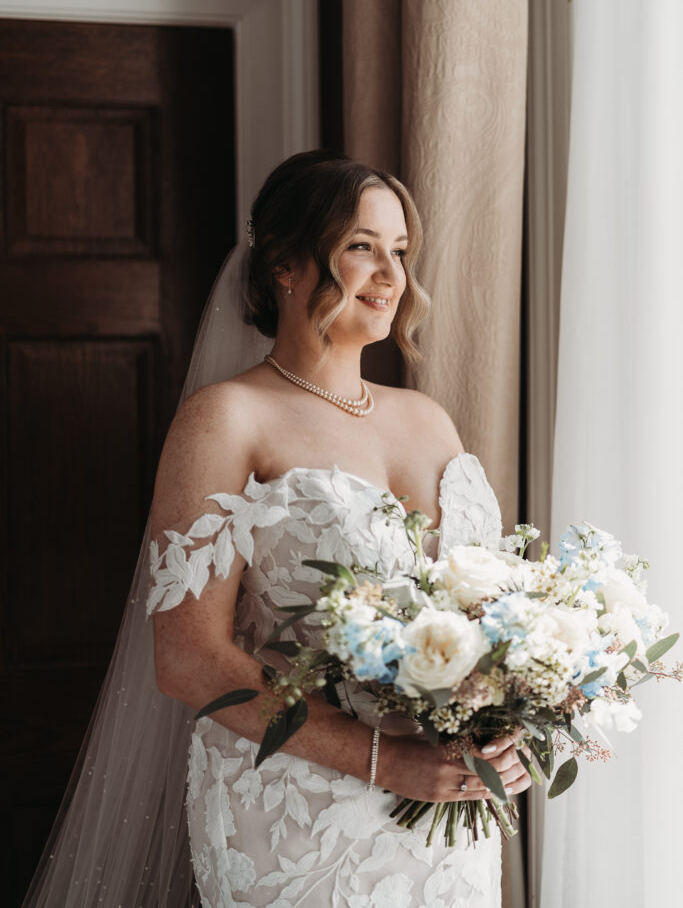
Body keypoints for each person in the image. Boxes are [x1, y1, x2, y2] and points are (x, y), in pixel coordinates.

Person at [23, 150, 530, 908]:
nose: (390, 275)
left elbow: (484, 614)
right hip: (297, 804)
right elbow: (188, 659)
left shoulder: (428, 420)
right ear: (286, 265)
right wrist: (382, 761)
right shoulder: (227, 419)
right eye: (361, 247)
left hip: (445, 803)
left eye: (399, 251)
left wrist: (505, 716)